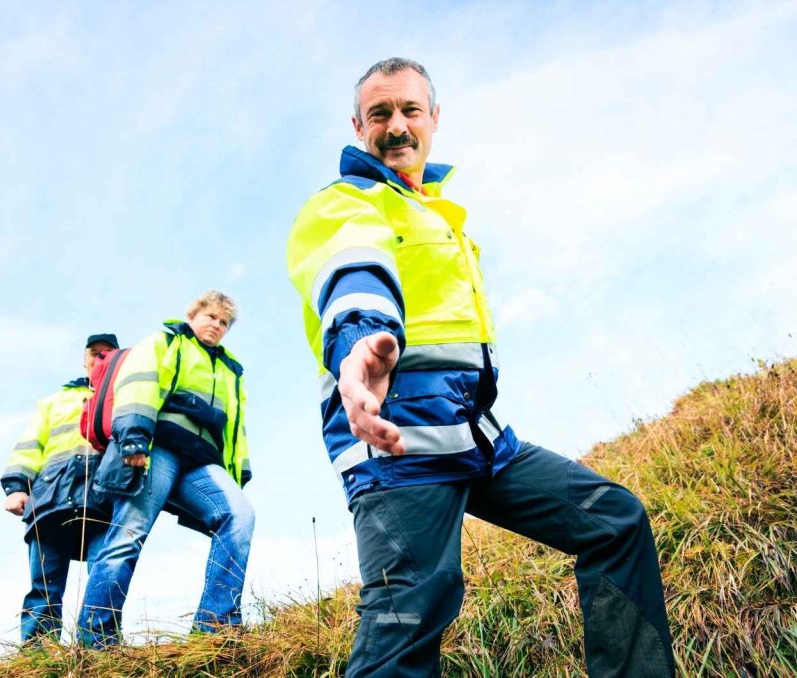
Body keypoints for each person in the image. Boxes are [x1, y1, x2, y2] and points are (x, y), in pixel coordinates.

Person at [286, 57, 675, 677]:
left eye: (410, 110)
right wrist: (362, 341)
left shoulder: (438, 213)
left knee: (614, 519)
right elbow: (354, 266)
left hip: (477, 435)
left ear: (433, 118)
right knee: (410, 609)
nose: (396, 126)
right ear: (357, 125)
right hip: (398, 439)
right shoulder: (345, 201)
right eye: (380, 113)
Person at [77, 291, 255, 647]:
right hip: (159, 448)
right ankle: (95, 641)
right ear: (192, 314)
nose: (216, 325)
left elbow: (236, 427)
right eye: (210, 317)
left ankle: (215, 627)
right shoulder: (167, 341)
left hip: (202, 461)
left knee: (240, 515)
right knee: (128, 534)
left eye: (223, 322)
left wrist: (239, 473)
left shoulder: (231, 369)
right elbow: (140, 382)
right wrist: (134, 439)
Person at [0, 333, 119, 642]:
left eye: (108, 353)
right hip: (50, 501)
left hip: (103, 501)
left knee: (105, 576)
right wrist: (16, 487)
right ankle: (39, 655)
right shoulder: (54, 401)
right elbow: (30, 446)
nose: (100, 358)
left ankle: (100, 648)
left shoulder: (124, 396)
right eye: (95, 353)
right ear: (85, 358)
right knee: (45, 587)